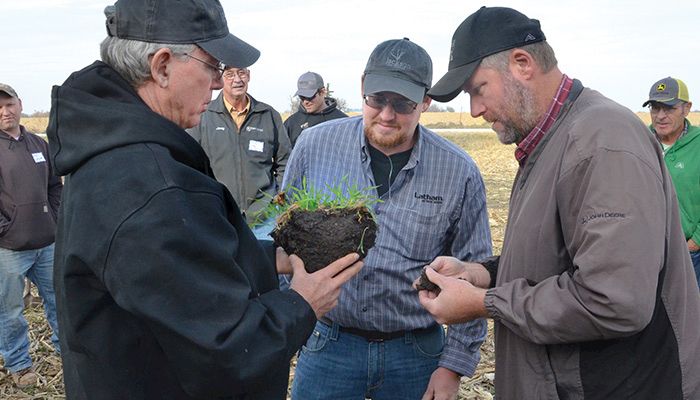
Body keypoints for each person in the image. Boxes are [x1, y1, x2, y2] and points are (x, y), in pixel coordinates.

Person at [46, 1, 363, 399]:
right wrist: (302, 304)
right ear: (162, 66)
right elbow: (226, 349)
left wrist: (270, 259)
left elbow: (178, 275)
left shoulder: (109, 149)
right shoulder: (148, 185)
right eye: (212, 65)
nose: (218, 82)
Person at [418, 6, 700, 399]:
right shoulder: (550, 140)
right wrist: (483, 274)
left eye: (477, 89)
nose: (475, 110)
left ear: (522, 64)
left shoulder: (601, 142)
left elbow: (613, 300)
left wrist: (486, 302)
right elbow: (562, 258)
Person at [285, 38, 492, 400]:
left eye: (403, 104)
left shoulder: (458, 171)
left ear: (426, 102)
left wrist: (452, 367)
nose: (386, 114)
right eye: (377, 99)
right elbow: (283, 238)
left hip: (415, 353)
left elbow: (473, 270)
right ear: (363, 86)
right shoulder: (313, 147)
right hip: (328, 346)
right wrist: (285, 327)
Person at [0, 83, 62, 389]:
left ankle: (69, 353)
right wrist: (6, 227)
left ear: (20, 104)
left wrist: (55, 218)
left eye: (9, 104)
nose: (5, 111)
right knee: (10, 311)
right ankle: (19, 364)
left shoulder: (39, 144)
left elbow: (54, 186)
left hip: (47, 243)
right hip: (9, 249)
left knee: (59, 301)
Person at [187, 63, 290, 221]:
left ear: (248, 76)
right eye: (230, 74)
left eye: (241, 73)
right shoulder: (203, 116)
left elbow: (286, 162)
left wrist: (277, 199)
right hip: (219, 216)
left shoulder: (269, 115)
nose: (237, 80)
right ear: (220, 77)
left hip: (264, 218)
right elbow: (189, 163)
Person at [642, 77, 700, 288]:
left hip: (688, 252)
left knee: (687, 315)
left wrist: (695, 243)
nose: (660, 116)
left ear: (687, 108)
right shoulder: (640, 140)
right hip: (645, 252)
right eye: (655, 108)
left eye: (669, 108)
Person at [284, 71, 348, 147]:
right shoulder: (291, 123)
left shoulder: (343, 122)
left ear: (322, 92)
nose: (305, 102)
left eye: (309, 97)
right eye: (302, 97)